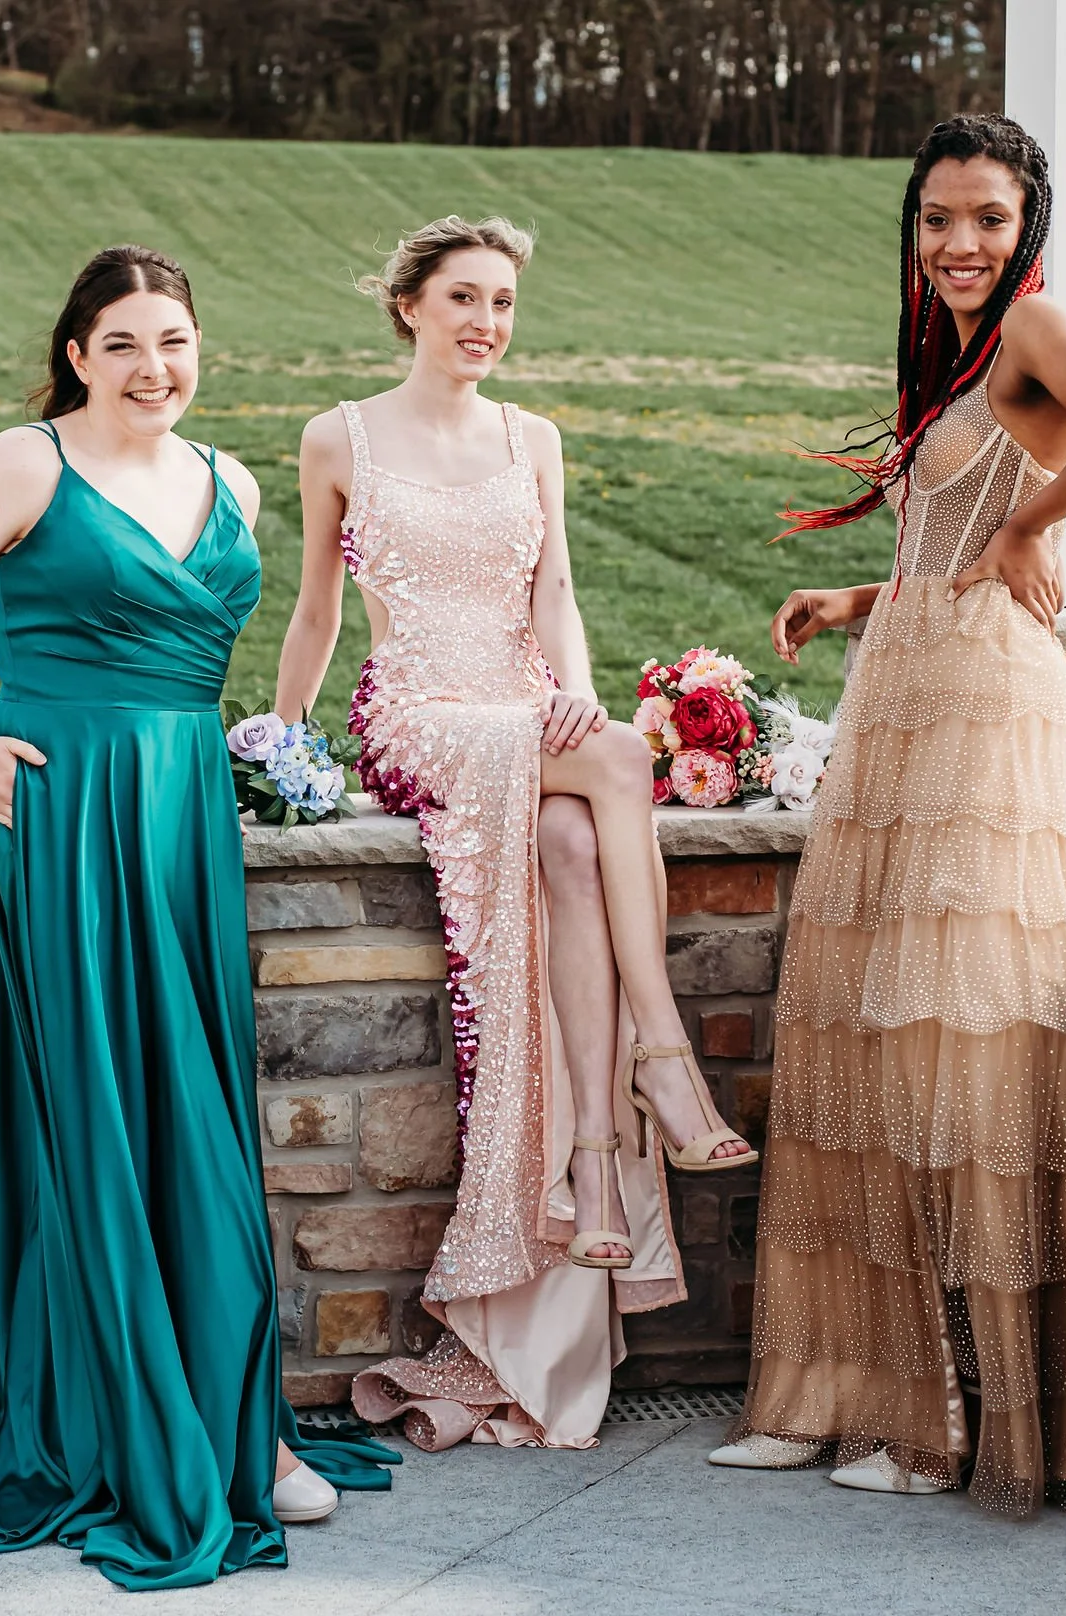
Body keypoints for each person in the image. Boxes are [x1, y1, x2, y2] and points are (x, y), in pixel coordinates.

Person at [0, 244, 396, 1591]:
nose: (156, 367)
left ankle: (240, 1424)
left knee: (202, 1122)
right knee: (102, 1118)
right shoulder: (23, 465)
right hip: (65, 817)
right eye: (126, 343)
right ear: (79, 353)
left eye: (176, 340)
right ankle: (156, 1424)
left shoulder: (236, 482)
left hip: (182, 821)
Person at [710, 114, 1066, 1514]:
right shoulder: (962, 361)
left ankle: (942, 1416)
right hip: (904, 687)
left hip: (986, 715)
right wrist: (857, 594)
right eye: (936, 219)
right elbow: (947, 533)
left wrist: (1034, 531)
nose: (959, 243)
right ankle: (837, 1390)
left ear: (1025, 225)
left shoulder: (1035, 328)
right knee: (854, 1028)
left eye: (985, 216)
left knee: (951, 1048)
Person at [269, 214, 755, 1451]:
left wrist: (573, 688)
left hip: (522, 703)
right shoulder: (338, 436)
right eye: (464, 299)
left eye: (503, 305)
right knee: (610, 758)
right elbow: (319, 608)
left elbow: (555, 592)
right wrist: (279, 742)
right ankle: (663, 1054)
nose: (486, 323)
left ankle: (592, 1157)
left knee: (578, 846)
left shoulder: (531, 437)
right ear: (409, 306)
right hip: (418, 710)